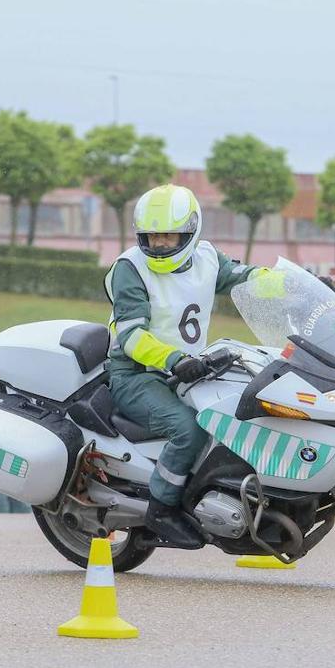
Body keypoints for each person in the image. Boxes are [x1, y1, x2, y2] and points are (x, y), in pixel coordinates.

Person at [104, 183, 268, 548]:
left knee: (240, 413)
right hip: (136, 374)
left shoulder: (208, 258)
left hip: (192, 371)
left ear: (191, 230)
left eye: (169, 236)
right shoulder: (130, 268)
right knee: (189, 429)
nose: (160, 245)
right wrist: (174, 360)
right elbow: (130, 337)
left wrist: (295, 284)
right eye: (152, 237)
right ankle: (161, 509)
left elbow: (247, 279)